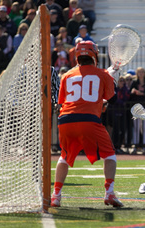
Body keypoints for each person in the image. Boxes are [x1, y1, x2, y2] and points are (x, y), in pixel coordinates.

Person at [50, 40, 123, 208]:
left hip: (66, 120)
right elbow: (113, 99)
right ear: (94, 55)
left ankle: (56, 195)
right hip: (89, 120)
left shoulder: (67, 75)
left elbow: (65, 102)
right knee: (110, 155)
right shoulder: (102, 74)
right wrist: (112, 82)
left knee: (65, 157)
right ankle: (109, 192)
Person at [129, 67, 145, 154]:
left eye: (142, 72)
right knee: (136, 127)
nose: (141, 73)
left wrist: (141, 93)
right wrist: (133, 91)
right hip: (136, 108)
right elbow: (130, 94)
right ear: (137, 73)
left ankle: (144, 146)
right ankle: (135, 145)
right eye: (139, 72)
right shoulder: (134, 83)